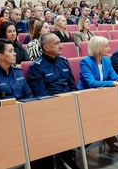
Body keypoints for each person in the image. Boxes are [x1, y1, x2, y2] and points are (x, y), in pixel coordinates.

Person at [27, 32, 79, 169]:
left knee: (93, 123)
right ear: (46, 47)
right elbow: (41, 96)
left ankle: (64, 154)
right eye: (56, 43)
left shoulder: (64, 61)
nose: (61, 46)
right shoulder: (36, 67)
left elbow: (73, 86)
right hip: (52, 109)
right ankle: (63, 155)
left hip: (70, 104)